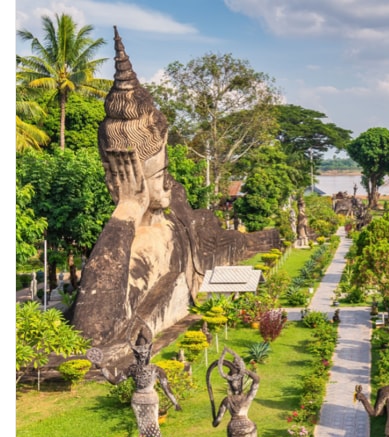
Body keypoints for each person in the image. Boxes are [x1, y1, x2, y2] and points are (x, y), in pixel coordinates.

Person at [73, 27, 278, 361]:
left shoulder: (165, 202)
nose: (165, 181)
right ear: (119, 180)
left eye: (164, 172)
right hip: (186, 238)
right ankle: (261, 239)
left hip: (194, 231)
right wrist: (128, 208)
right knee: (231, 236)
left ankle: (262, 239)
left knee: (228, 233)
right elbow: (92, 331)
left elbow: (174, 195)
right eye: (159, 174)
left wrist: (160, 193)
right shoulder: (139, 242)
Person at [89, 324, 181, 437]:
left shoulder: (157, 370)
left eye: (144, 354)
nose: (142, 357)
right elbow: (114, 381)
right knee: (142, 429)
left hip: (151, 400)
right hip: (137, 401)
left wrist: (175, 402)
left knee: (154, 427)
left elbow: (166, 388)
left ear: (148, 352)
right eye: (139, 355)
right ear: (135, 354)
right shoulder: (132, 369)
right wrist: (102, 368)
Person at [208, 347, 263, 437]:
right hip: (248, 426)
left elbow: (217, 421)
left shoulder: (227, 400)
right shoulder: (247, 398)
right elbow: (256, 380)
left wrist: (214, 422)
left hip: (233, 428)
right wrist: (245, 371)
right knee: (253, 430)